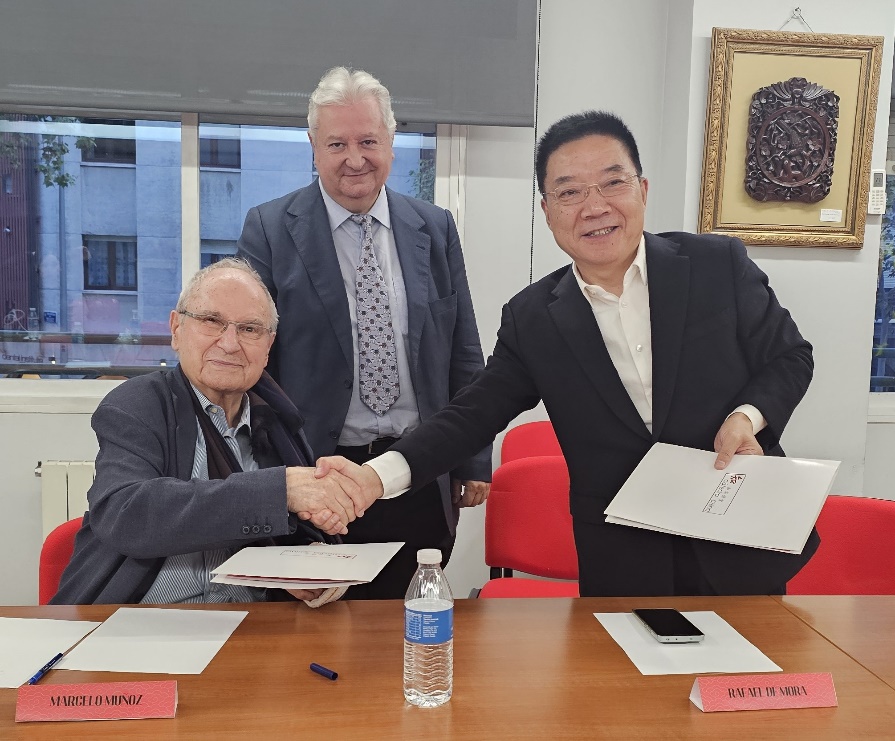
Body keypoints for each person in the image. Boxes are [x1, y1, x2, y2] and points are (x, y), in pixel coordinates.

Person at [320, 110, 819, 597]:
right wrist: (372, 478)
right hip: (625, 562)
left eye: (612, 183)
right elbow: (468, 418)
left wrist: (746, 417)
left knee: (743, 679)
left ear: (642, 190)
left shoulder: (716, 266)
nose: (594, 206)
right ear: (547, 210)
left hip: (740, 544)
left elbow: (790, 357)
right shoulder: (535, 318)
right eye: (569, 192)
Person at [237, 67, 491, 599]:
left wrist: (471, 459)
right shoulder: (269, 229)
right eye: (337, 143)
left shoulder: (435, 227)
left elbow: (464, 349)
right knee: (318, 628)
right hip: (319, 474)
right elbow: (249, 359)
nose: (355, 158)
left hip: (418, 468)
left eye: (368, 140)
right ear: (314, 147)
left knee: (409, 622)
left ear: (391, 142)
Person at [52, 259, 365, 605]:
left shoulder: (279, 421)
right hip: (141, 621)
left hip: (251, 625)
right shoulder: (137, 404)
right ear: (176, 329)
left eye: (249, 329)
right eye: (211, 321)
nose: (230, 343)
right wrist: (281, 490)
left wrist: (311, 562)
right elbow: (126, 514)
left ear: (268, 346)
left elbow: (295, 533)